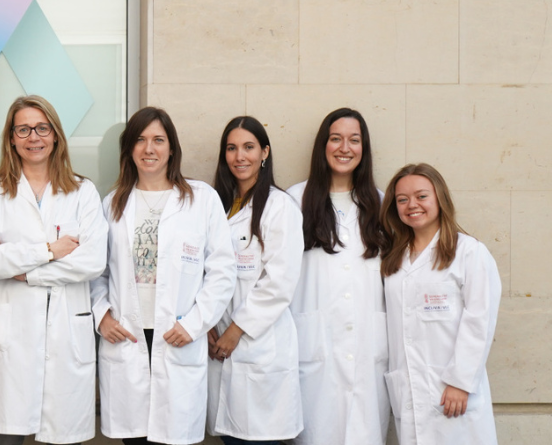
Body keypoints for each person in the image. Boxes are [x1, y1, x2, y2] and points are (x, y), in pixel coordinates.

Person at [91, 107, 236, 445]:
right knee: (136, 438)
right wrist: (103, 316)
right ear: (129, 148)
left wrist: (195, 323)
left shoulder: (201, 199)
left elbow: (222, 270)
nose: (149, 149)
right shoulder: (112, 204)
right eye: (140, 140)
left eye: (158, 140)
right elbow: (97, 271)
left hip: (177, 333)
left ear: (172, 148)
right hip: (128, 333)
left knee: (174, 436)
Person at [0, 95, 108, 445]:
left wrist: (26, 272)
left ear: (56, 135)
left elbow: (93, 261)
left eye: (42, 128)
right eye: (24, 129)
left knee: (62, 433)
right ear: (11, 138)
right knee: (4, 437)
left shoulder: (83, 191)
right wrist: (49, 251)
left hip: (65, 332)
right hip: (9, 336)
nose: (34, 137)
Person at [287, 108, 390, 445]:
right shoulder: (294, 200)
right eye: (336, 139)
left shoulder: (382, 204)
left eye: (354, 140)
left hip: (368, 351)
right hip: (313, 349)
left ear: (364, 148)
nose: (345, 148)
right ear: (323, 145)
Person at [380, 164, 500, 445]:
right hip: (409, 391)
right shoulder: (393, 259)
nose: (412, 205)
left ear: (439, 198)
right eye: (402, 199)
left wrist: (460, 381)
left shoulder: (469, 252)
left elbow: (480, 320)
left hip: (452, 391)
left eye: (421, 196)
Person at [206, 116, 303, 445]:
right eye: (231, 148)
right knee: (231, 437)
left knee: (258, 438)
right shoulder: (218, 205)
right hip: (219, 345)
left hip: (259, 345)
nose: (239, 156)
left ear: (265, 153)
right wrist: (207, 324)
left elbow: (279, 283)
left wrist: (235, 331)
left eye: (248, 147)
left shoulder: (280, 207)